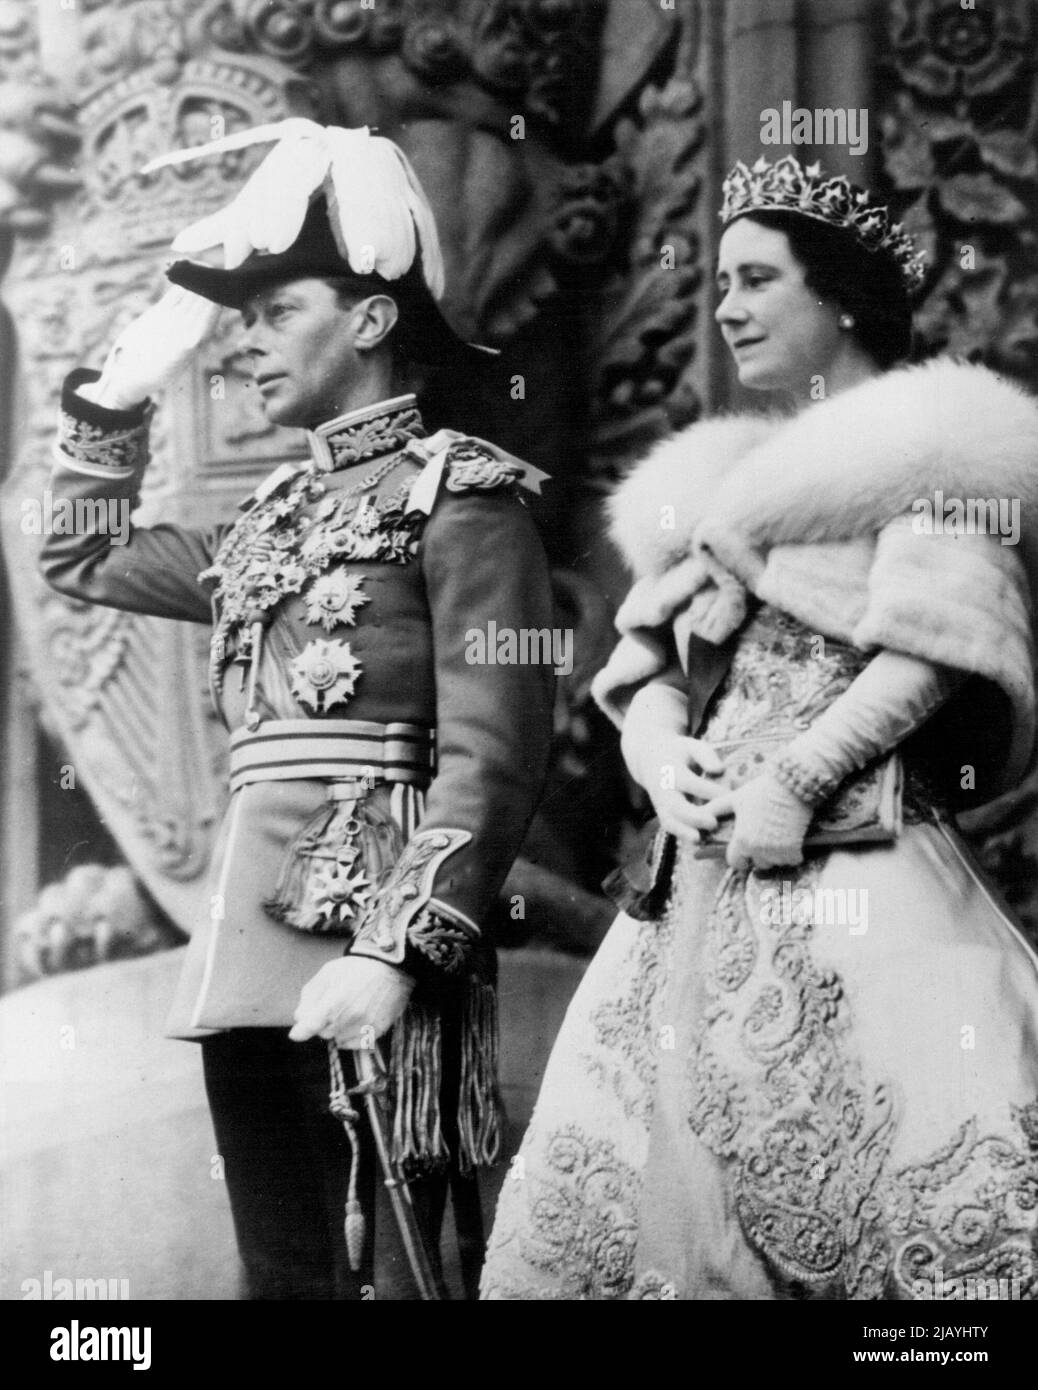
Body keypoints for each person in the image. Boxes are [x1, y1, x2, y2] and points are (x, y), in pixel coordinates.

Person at [481, 154, 1038, 1301]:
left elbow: (937, 643)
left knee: (915, 1175)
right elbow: (650, 664)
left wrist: (801, 770)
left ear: (838, 298)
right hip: (697, 884)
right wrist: (653, 742)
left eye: (755, 278)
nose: (725, 305)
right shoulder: (728, 479)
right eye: (719, 279)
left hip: (861, 865)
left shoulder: (931, 444)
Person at [39, 121, 555, 1300]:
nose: (245, 342)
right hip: (245, 946)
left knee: (393, 1279)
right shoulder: (267, 521)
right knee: (283, 1275)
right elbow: (81, 554)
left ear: (370, 320)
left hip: (375, 938)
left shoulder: (461, 497)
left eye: (277, 311)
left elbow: (494, 755)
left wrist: (392, 952)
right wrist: (119, 389)